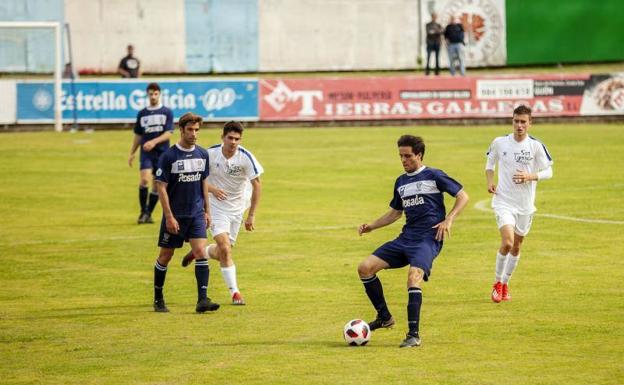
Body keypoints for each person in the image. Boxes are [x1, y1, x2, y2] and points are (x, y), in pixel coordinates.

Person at [357, 135, 469, 347]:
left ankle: (413, 335)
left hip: (428, 238)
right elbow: (395, 213)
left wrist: (449, 219)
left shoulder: (434, 175)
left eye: (408, 156)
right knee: (365, 267)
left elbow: (463, 196)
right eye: (400, 156)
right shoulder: (401, 182)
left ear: (419, 155)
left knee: (413, 277)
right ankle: (384, 317)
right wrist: (371, 226)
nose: (403, 160)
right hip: (405, 238)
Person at [181, 121, 263, 306]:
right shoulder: (209, 154)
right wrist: (212, 189)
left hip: (237, 208)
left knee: (223, 252)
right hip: (216, 208)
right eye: (230, 138)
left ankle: (201, 251)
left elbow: (257, 185)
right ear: (222, 137)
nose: (233, 142)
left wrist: (251, 215)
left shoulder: (245, 157)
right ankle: (235, 293)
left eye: (237, 139)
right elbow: (197, 180)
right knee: (225, 248)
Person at [152, 112, 220, 313]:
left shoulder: (202, 154)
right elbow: (161, 187)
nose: (194, 134)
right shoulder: (169, 156)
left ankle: (202, 300)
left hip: (196, 214)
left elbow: (203, 182)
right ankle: (158, 297)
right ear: (181, 130)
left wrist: (207, 211)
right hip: (176, 215)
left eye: (197, 130)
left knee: (200, 253)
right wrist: (169, 216)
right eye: (190, 130)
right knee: (166, 255)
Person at [485, 105, 553, 303]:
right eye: (516, 121)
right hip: (503, 201)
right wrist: (490, 182)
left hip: (525, 205)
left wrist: (531, 176)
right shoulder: (499, 142)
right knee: (507, 242)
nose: (519, 125)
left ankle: (506, 284)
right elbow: (490, 164)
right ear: (512, 122)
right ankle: (497, 283)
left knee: (517, 246)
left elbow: (549, 171)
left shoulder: (535, 146)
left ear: (530, 123)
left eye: (524, 122)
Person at [128, 83, 174, 224]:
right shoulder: (142, 113)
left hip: (162, 154)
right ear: (147, 95)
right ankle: (143, 212)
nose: (153, 96)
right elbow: (138, 135)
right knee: (145, 180)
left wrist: (154, 142)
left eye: (155, 94)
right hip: (147, 154)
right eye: (151, 94)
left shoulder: (167, 112)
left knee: (157, 184)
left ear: (159, 94)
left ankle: (148, 213)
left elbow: (168, 133)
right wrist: (132, 152)